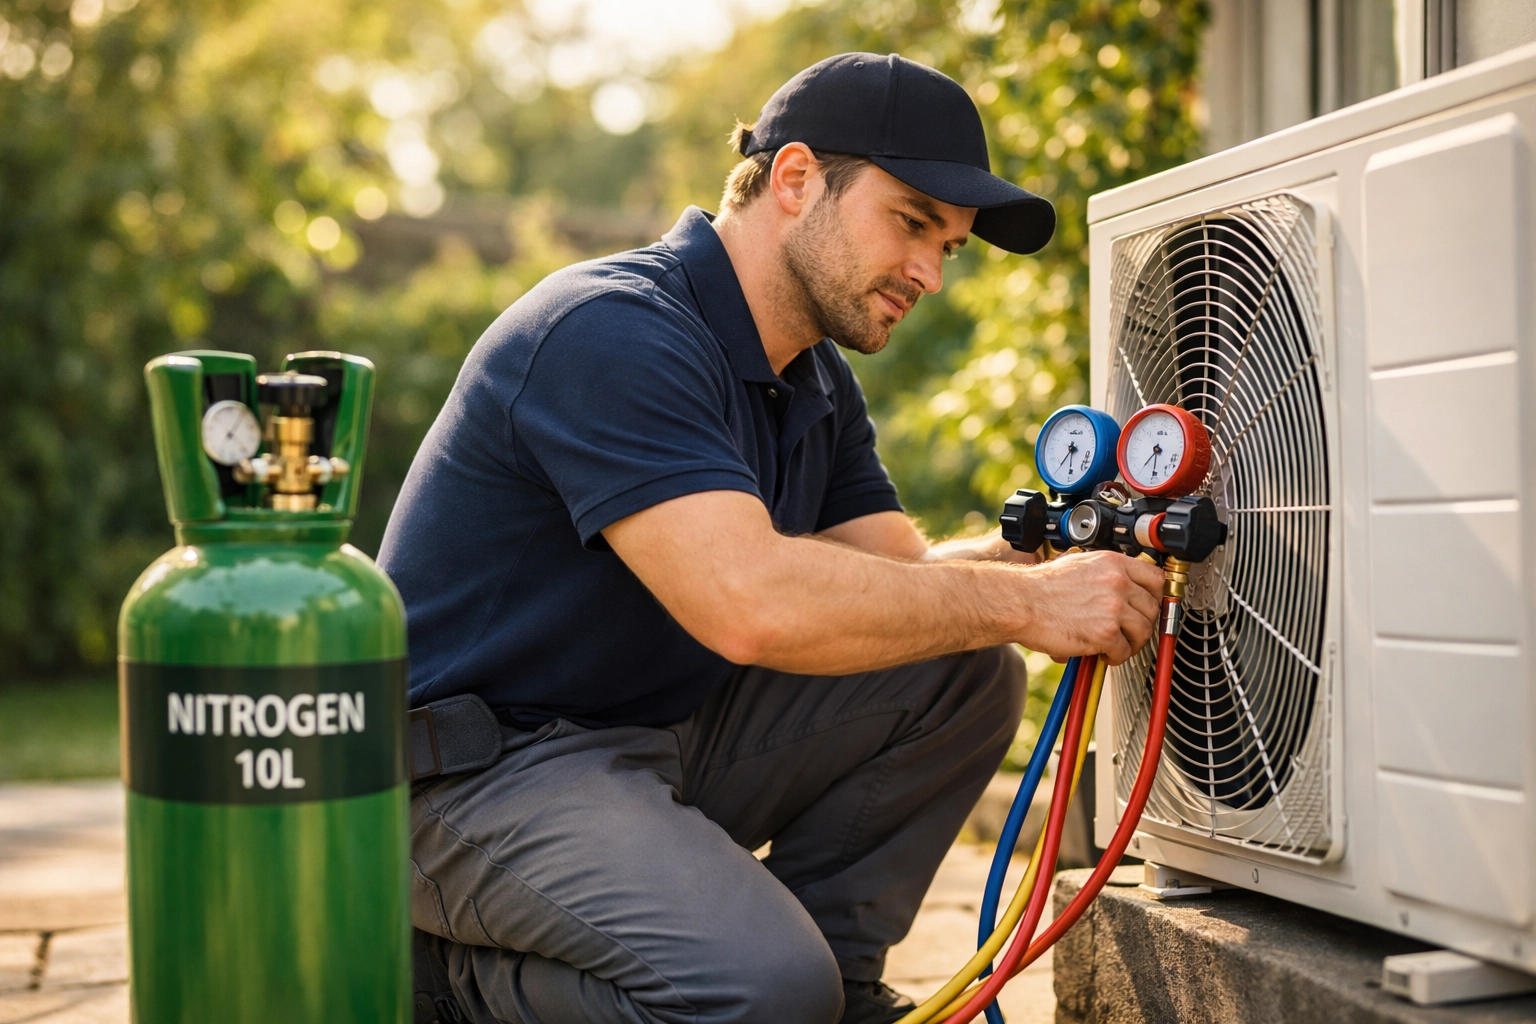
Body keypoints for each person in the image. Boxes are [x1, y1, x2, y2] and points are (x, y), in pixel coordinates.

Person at [379, 52, 1163, 1024]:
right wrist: (1035, 603)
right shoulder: (613, 331)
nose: (928, 272)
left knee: (964, 668)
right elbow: (748, 603)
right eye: (912, 222)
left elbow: (897, 586)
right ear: (794, 180)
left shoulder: (814, 379)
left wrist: (1046, 566)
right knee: (764, 990)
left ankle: (843, 985)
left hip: (641, 739)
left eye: (949, 248)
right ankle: (445, 981)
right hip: (468, 775)